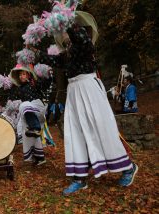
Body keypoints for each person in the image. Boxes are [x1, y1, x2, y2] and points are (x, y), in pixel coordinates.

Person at [30, 6, 138, 195]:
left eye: (64, 30)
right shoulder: (68, 53)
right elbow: (53, 61)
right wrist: (34, 52)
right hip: (74, 92)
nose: (62, 34)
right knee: (75, 132)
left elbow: (81, 40)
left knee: (101, 128)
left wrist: (67, 22)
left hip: (89, 89)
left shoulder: (85, 44)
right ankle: (79, 178)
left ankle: (127, 167)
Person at [9, 64, 52, 165]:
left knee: (24, 104)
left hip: (38, 108)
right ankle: (39, 157)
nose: (21, 76)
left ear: (28, 75)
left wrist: (47, 74)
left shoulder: (34, 83)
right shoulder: (20, 88)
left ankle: (35, 127)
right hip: (29, 113)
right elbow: (13, 99)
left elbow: (45, 84)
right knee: (27, 134)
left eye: (23, 74)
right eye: (20, 75)